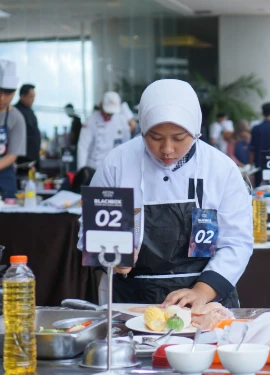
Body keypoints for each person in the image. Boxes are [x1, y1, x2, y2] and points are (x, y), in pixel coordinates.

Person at [77, 79, 253, 308]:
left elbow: (237, 243)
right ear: (142, 130)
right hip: (130, 300)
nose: (167, 149)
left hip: (204, 301)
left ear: (195, 131)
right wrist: (112, 253)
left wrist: (201, 291)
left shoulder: (221, 169)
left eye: (179, 138)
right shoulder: (117, 164)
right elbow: (91, 232)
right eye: (155, 137)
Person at [77, 91, 132, 171]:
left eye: (112, 113)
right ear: (100, 106)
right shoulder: (91, 120)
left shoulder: (121, 121)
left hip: (113, 167)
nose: (109, 115)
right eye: (107, 112)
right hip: (93, 168)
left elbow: (126, 145)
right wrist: (81, 171)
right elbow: (83, 147)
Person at [0, 59, 27, 199]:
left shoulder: (16, 118)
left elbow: (12, 155)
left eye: (7, 93)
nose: (2, 98)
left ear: (14, 92)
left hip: (5, 180)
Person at [250, 102, 270, 186]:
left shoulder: (256, 128)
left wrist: (251, 165)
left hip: (259, 164)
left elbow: (252, 149)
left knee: (259, 191)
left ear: (262, 113)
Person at [15, 84, 41, 168]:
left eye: (34, 97)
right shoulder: (16, 112)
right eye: (30, 96)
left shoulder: (30, 111)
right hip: (22, 158)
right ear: (23, 96)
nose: (33, 100)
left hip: (33, 155)